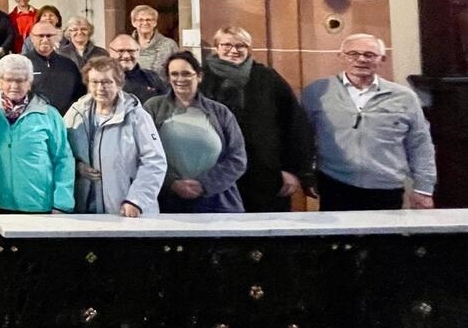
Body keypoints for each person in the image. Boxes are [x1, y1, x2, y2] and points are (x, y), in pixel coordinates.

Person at [301, 34, 436, 211]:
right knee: (340, 238)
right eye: (353, 54)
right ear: (341, 57)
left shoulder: (404, 97)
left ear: (382, 59)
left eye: (369, 55)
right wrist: (306, 174)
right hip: (335, 184)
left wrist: (423, 188)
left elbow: (420, 144)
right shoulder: (317, 92)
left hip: (386, 188)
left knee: (383, 238)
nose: (361, 59)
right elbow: (303, 138)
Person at [201, 25, 314, 212]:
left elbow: (294, 124)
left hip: (264, 172)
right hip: (215, 171)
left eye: (241, 46)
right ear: (216, 47)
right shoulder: (200, 78)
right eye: (227, 45)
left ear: (249, 49)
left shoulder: (267, 77)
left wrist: (294, 171)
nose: (233, 51)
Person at [145, 51, 247, 213]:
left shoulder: (220, 112)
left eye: (186, 74)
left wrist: (204, 185)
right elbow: (143, 153)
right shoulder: (153, 108)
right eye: (174, 74)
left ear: (198, 76)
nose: (180, 79)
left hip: (217, 202)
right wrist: (172, 183)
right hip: (168, 202)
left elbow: (237, 159)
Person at [64, 56, 166, 217]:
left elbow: (154, 161)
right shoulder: (76, 113)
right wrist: (78, 167)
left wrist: (136, 200)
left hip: (128, 210)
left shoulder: (137, 116)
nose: (100, 88)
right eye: (94, 82)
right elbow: (63, 153)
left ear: (119, 83)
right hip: (86, 210)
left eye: (107, 82)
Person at [0, 54, 74, 214]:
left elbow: (63, 159)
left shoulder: (49, 114)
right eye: (8, 80)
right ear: (0, 81)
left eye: (21, 80)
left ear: (29, 83)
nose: (14, 85)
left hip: (38, 204)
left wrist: (62, 203)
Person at [23, 21, 85, 114]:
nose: (45, 40)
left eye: (49, 36)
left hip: (65, 121)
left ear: (56, 37)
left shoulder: (69, 65)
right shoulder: (22, 64)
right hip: (34, 121)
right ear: (32, 37)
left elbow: (80, 95)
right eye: (40, 36)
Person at [108, 34, 168, 104]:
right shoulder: (100, 79)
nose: (126, 56)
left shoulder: (153, 78)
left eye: (131, 51)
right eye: (120, 51)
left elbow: (166, 106)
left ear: (138, 51)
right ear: (110, 52)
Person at [129, 4, 179, 77]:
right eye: (140, 20)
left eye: (148, 19)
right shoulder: (126, 45)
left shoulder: (169, 45)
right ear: (133, 23)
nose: (145, 23)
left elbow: (177, 70)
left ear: (155, 22)